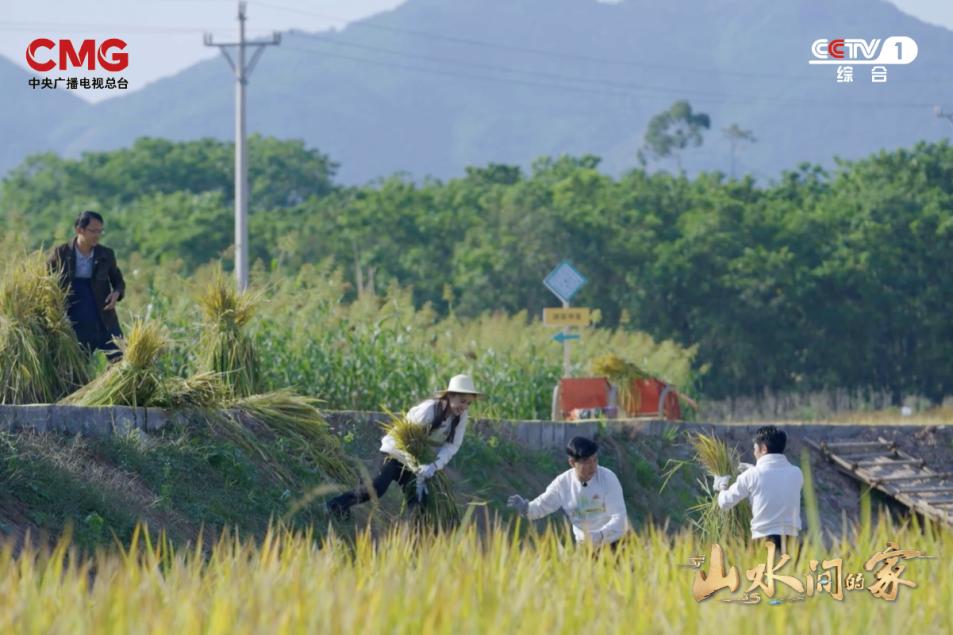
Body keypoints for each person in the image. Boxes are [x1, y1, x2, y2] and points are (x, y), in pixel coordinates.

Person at [326, 374, 482, 519]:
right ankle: (335, 506)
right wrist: (417, 465)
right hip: (395, 454)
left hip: (418, 463)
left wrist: (433, 466)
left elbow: (452, 446)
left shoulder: (460, 417)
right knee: (376, 489)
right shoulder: (429, 410)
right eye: (462, 401)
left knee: (419, 502)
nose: (464, 407)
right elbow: (407, 440)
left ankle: (415, 542)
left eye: (468, 403)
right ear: (450, 395)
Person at [507, 436, 629, 549]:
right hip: (585, 548)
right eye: (586, 462)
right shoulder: (563, 483)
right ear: (572, 462)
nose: (593, 467)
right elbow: (543, 504)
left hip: (615, 544)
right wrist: (526, 509)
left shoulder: (608, 478)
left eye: (595, 460)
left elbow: (619, 517)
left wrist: (600, 535)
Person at [47, 211, 126, 362]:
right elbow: (44, 282)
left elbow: (118, 282)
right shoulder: (61, 253)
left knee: (123, 362)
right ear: (79, 230)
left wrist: (116, 293)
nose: (97, 235)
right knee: (77, 371)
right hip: (75, 323)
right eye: (93, 231)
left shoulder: (106, 254)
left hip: (105, 319)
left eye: (100, 231)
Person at [712, 425, 803, 554]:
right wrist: (753, 469)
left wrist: (722, 485)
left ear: (763, 448)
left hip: (764, 542)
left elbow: (725, 503)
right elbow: (774, 483)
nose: (754, 453)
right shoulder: (797, 473)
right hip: (793, 544)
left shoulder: (752, 475)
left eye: (755, 448)